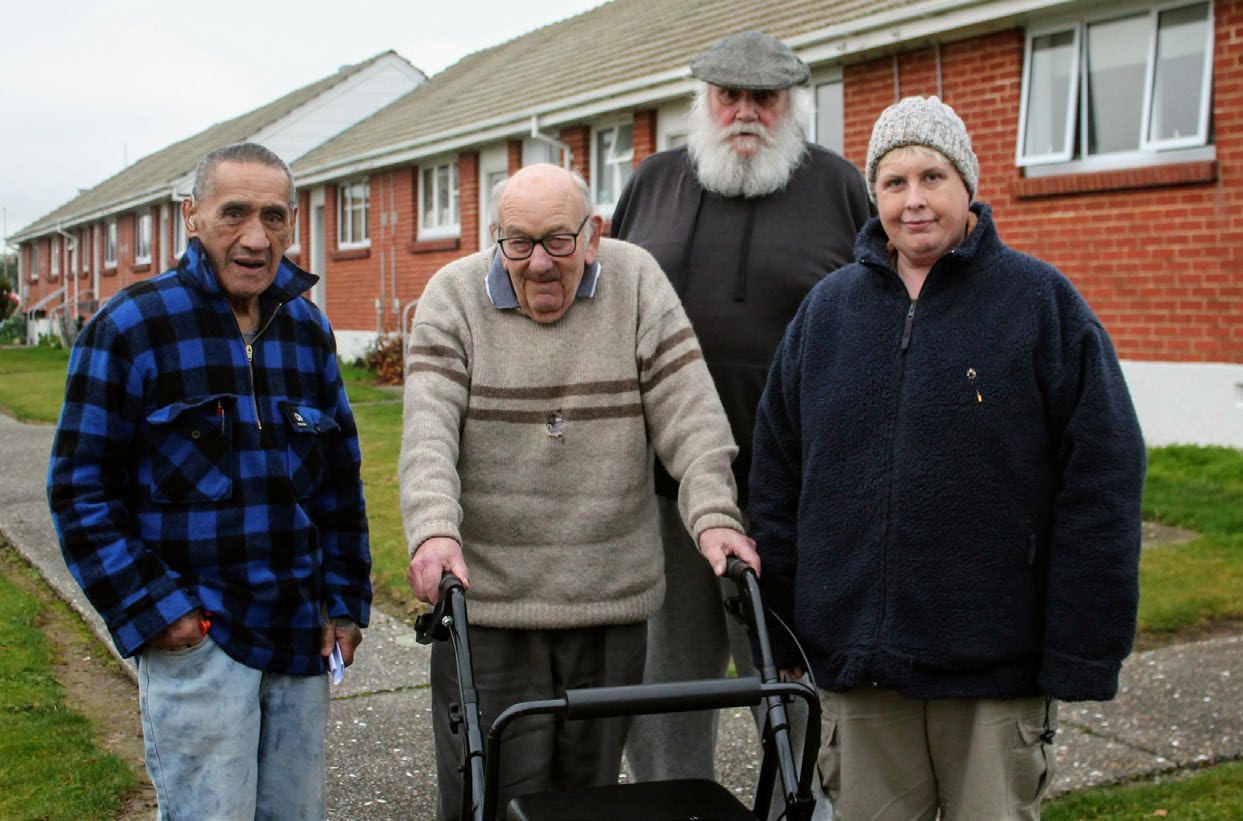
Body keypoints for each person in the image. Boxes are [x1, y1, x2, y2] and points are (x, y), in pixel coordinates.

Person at [749, 95, 1147, 820]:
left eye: (932, 177)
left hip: (993, 671)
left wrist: (1082, 646)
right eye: (894, 183)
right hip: (857, 669)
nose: (914, 201)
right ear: (874, 194)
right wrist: (778, 624)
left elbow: (1103, 478)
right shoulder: (827, 311)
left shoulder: (1039, 303)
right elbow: (775, 470)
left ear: (967, 184)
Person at [401, 162, 758, 819]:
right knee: (486, 796)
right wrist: (433, 531)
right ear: (494, 237)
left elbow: (692, 417)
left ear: (593, 234)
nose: (537, 263)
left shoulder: (635, 281)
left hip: (610, 602)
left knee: (584, 800)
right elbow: (427, 437)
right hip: (493, 606)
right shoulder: (453, 297)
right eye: (518, 242)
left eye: (558, 242)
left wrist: (713, 516)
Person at [47, 142, 371, 820]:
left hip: (298, 636)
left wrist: (343, 601)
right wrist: (155, 610)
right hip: (201, 635)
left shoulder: (308, 330)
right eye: (235, 214)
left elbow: (339, 483)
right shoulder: (132, 326)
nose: (256, 238)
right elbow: (79, 489)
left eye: (274, 217)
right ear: (191, 216)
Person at [610, 29, 871, 786]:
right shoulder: (652, 182)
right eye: (730, 95)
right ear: (703, 100)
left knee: (793, 683)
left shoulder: (840, 187)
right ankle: (670, 804)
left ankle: (805, 803)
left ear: (791, 103)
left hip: (791, 497)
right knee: (665, 686)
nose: (746, 112)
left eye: (765, 96)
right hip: (665, 493)